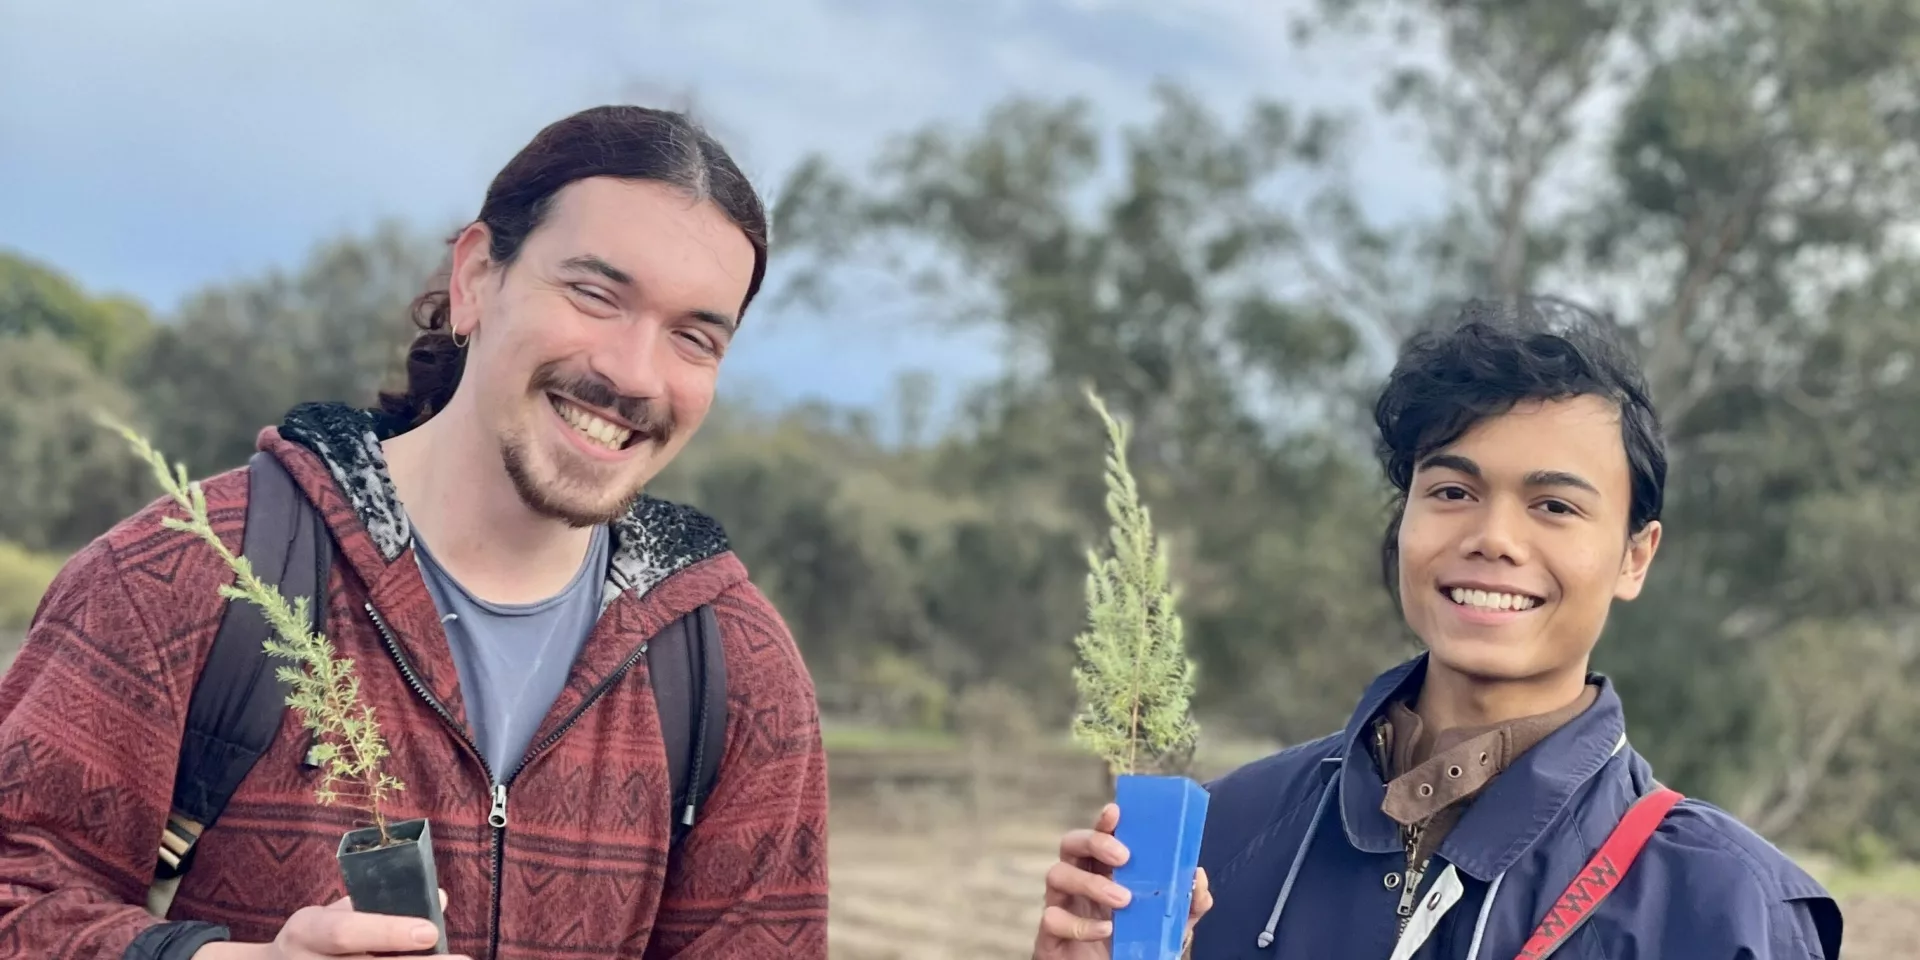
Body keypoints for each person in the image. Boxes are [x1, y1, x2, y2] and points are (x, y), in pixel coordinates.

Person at [0, 105, 828, 960]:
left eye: (694, 336)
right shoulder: (183, 573)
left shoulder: (737, 669)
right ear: (474, 279)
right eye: (594, 293)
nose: (634, 372)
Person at [1033, 298, 1843, 959]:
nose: (1493, 537)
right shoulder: (1220, 836)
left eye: (1553, 506)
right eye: (1452, 491)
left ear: (1636, 557)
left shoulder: (1730, 912)